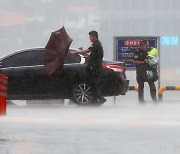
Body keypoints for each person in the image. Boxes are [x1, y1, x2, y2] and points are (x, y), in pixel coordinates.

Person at [70, 31, 106, 104]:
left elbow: (86, 51)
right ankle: (95, 99)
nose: (90, 38)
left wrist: (75, 52)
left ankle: (100, 98)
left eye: (90, 37)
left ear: (94, 36)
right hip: (95, 67)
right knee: (92, 84)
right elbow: (91, 55)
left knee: (93, 84)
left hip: (95, 68)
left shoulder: (96, 45)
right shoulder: (97, 45)